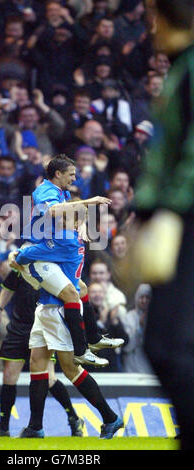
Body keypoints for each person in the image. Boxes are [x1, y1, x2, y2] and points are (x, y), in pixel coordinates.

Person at [132, 0, 194, 450]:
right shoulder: (181, 68)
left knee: (166, 347)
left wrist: (162, 211)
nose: (150, 26)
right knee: (169, 347)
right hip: (178, 215)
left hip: (185, 218)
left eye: (156, 15)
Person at [11, 203, 123, 438]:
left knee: (71, 369)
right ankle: (35, 426)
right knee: (37, 363)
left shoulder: (65, 239)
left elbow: (28, 254)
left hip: (60, 309)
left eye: (61, 217)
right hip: (46, 306)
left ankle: (110, 418)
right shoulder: (67, 237)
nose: (55, 219)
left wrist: (17, 256)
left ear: (73, 223)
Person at [8, 154, 121, 366]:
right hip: (39, 251)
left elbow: (71, 209)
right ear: (58, 174)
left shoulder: (60, 189)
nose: (74, 178)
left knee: (83, 289)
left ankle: (94, 339)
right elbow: (52, 211)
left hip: (52, 249)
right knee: (71, 293)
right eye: (71, 174)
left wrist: (83, 223)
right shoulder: (44, 191)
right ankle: (80, 350)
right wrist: (90, 201)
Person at [0, 269, 84, 437]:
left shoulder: (54, 268)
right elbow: (7, 287)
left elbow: (75, 291)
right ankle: (3, 428)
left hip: (43, 326)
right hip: (19, 327)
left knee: (49, 378)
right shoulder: (21, 265)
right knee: (9, 376)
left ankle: (73, 418)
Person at [121, 284, 153, 373]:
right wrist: (139, 327)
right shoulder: (128, 317)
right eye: (141, 297)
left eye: (147, 298)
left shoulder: (159, 318)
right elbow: (127, 347)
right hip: (132, 367)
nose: (144, 301)